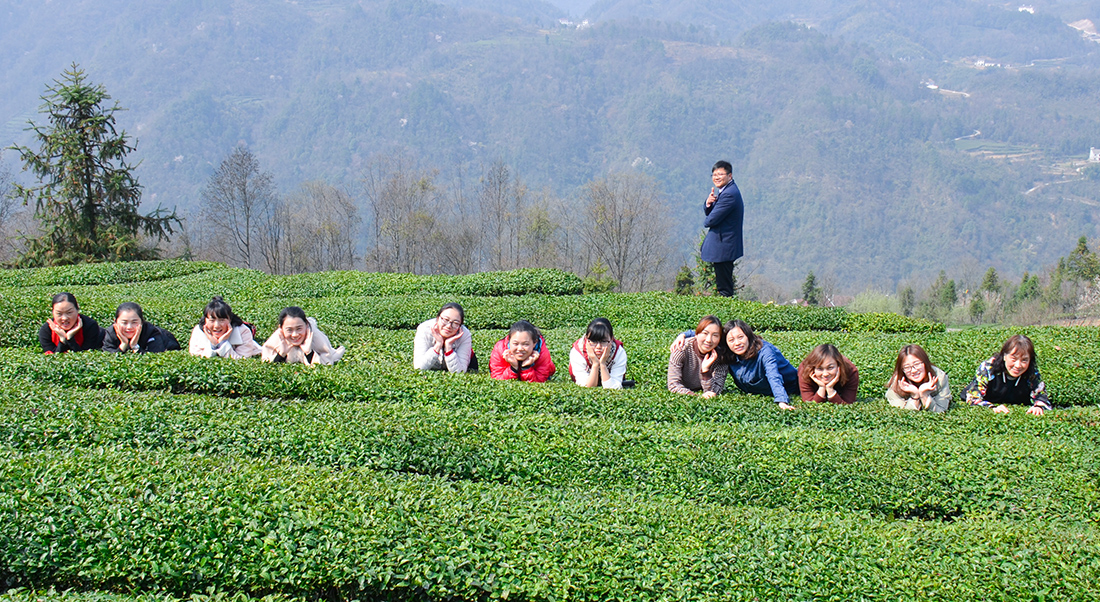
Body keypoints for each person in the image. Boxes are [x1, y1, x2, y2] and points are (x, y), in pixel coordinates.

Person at [670, 319, 797, 409]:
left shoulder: (765, 351)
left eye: (740, 337)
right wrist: (683, 335)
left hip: (794, 385)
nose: (737, 343)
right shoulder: (727, 352)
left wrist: (782, 401)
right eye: (731, 340)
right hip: (762, 391)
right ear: (725, 342)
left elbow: (773, 375)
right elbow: (706, 333)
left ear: (748, 335)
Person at [961, 334, 1050, 415]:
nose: (1018, 365)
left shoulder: (1031, 373)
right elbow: (972, 398)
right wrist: (992, 408)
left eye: (1024, 360)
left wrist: (1039, 407)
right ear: (1004, 355)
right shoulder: (988, 368)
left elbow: (1042, 397)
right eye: (1013, 359)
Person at [700, 160, 744, 297]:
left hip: (724, 245)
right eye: (714, 174)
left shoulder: (729, 194)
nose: (717, 177)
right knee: (723, 283)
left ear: (729, 176)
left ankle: (726, 311)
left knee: (724, 287)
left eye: (720, 174)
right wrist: (708, 204)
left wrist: (709, 215)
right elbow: (714, 214)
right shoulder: (726, 191)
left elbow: (710, 220)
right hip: (724, 245)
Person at [667, 315, 728, 397]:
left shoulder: (721, 356)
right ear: (696, 334)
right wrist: (697, 397)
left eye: (715, 335)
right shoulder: (681, 349)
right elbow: (673, 385)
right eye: (705, 333)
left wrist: (705, 371)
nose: (709, 340)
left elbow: (715, 391)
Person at [261, 306, 345, 365]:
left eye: (299, 328)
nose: (295, 335)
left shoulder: (315, 336)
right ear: (281, 328)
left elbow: (326, 364)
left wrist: (309, 352)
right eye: (289, 330)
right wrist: (282, 354)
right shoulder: (278, 337)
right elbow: (267, 363)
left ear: (307, 325)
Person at [188, 296, 262, 359]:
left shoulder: (243, 331)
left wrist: (223, 343)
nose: (216, 326)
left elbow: (242, 360)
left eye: (222, 320)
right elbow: (197, 358)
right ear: (205, 320)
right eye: (212, 320)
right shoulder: (198, 331)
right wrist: (213, 344)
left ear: (230, 319)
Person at [885, 344, 951, 413]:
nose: (913, 370)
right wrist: (915, 396)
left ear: (925, 363)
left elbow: (941, 411)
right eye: (907, 367)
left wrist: (924, 395)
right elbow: (903, 415)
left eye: (917, 364)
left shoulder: (940, 378)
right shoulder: (896, 383)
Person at [413, 302, 477, 372]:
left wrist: (449, 347)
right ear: (437, 318)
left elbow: (460, 372)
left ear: (460, 326)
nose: (449, 326)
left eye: (455, 323)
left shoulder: (465, 335)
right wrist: (438, 345)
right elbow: (419, 367)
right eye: (446, 320)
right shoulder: (424, 329)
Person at [569, 317, 627, 389]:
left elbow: (612, 387)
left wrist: (602, 364)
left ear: (611, 339)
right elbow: (587, 386)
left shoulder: (619, 352)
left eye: (603, 341)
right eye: (593, 341)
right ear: (587, 340)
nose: (598, 347)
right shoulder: (577, 353)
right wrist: (595, 364)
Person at [489, 320, 555, 382]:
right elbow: (497, 378)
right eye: (515, 344)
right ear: (509, 341)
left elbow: (540, 380)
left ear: (534, 343)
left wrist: (527, 367)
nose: (520, 348)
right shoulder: (500, 349)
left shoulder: (542, 352)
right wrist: (513, 368)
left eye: (526, 344)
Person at [102, 302, 180, 353]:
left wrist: (134, 346)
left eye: (134, 322)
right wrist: (123, 345)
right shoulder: (110, 333)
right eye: (124, 322)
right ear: (115, 322)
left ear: (142, 322)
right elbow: (108, 357)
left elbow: (155, 357)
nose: (129, 327)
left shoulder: (152, 332)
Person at [39, 292, 104, 353]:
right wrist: (62, 340)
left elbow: (85, 355)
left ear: (77, 309)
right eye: (59, 314)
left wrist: (70, 338)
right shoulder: (46, 330)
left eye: (69, 312)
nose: (64, 318)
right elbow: (53, 358)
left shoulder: (90, 326)